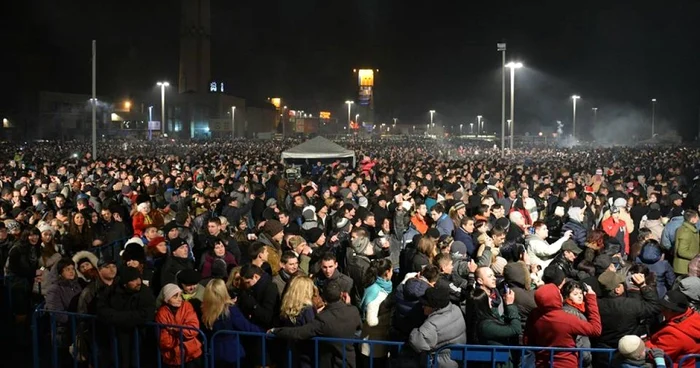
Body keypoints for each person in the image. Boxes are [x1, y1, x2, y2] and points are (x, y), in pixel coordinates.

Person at [271, 280, 363, 368]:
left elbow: (299, 333)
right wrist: (348, 306)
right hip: (348, 362)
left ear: (323, 298)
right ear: (342, 294)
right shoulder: (353, 311)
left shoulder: (323, 318)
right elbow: (358, 327)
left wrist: (275, 330)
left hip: (329, 363)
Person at [525, 283, 602, 368]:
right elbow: (595, 330)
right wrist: (591, 297)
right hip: (566, 363)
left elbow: (527, 339)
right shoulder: (567, 319)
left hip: (543, 363)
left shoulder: (535, 315)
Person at [97, 267, 156, 368]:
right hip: (117, 338)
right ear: (125, 284)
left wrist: (118, 317)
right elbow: (102, 309)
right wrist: (118, 317)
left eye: (138, 278)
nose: (138, 282)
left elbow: (146, 314)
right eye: (133, 280)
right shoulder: (112, 291)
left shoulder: (145, 293)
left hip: (139, 338)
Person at [201, 279, 265, 367]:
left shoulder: (205, 309)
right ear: (223, 291)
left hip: (214, 354)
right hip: (232, 355)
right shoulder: (230, 309)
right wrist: (264, 332)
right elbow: (246, 327)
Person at [408, 287, 467, 368]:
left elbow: (418, 343)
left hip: (439, 363)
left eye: (425, 304)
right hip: (456, 360)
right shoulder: (456, 309)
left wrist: (415, 331)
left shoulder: (432, 325)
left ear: (435, 307)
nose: (422, 307)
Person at [645, 290, 700, 367]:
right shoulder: (694, 315)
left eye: (664, 308)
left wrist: (643, 344)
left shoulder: (675, 335)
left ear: (674, 311)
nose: (661, 310)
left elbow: (657, 355)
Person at [155, 284, 203, 368]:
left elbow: (193, 329)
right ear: (167, 299)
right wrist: (181, 338)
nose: (179, 299)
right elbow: (165, 341)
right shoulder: (161, 313)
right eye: (175, 296)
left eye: (180, 295)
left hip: (191, 354)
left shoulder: (187, 306)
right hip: (172, 358)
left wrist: (175, 329)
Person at [561, 281, 593, 368]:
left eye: (581, 293)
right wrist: (585, 357)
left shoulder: (578, 310)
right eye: (575, 294)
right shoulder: (571, 312)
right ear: (567, 296)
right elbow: (577, 339)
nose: (580, 296)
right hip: (579, 359)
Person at [674, 210, 700, 276]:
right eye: (696, 217)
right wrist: (697, 257)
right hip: (685, 268)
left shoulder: (690, 229)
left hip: (688, 266)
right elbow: (682, 251)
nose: (698, 219)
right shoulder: (686, 232)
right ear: (692, 219)